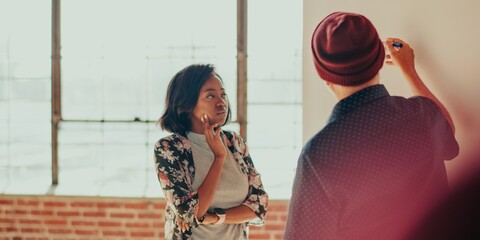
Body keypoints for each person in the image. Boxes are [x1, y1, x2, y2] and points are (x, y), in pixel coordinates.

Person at [284, 12, 459, 240]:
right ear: (379, 61)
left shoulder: (318, 155)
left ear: (324, 77)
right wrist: (409, 70)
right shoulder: (424, 116)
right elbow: (449, 137)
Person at [154, 64, 268, 240]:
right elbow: (191, 214)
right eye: (210, 96)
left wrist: (214, 217)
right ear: (188, 104)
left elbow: (259, 206)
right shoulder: (169, 149)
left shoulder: (235, 143)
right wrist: (219, 158)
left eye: (223, 94)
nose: (221, 102)